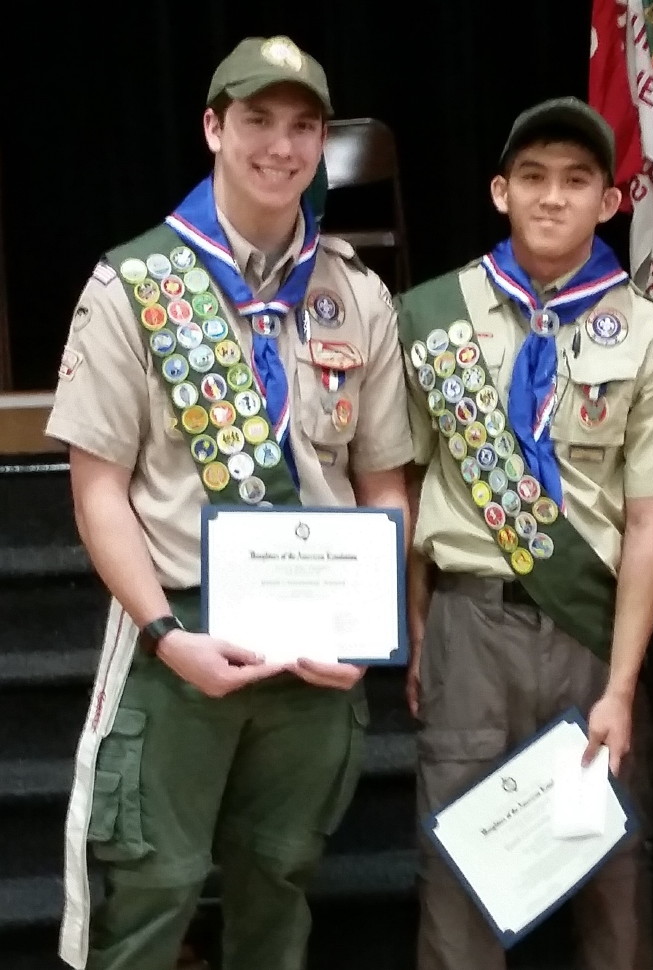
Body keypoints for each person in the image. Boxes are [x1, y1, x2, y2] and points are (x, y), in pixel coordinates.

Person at [45, 35, 413, 970]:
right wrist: (168, 633)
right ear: (214, 127)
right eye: (257, 120)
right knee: (154, 884)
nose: (280, 147)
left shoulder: (355, 295)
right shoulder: (134, 285)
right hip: (181, 633)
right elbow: (98, 490)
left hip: (316, 642)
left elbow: (382, 482)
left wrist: (370, 627)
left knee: (280, 875)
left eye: (302, 127)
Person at [396, 96, 653, 970]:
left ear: (610, 201)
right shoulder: (432, 318)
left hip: (591, 631)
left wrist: (623, 682)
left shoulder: (651, 339)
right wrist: (420, 627)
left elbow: (649, 523)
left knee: (608, 864)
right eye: (532, 177)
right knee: (458, 864)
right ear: (500, 191)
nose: (552, 197)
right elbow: (413, 486)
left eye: (577, 181)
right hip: (471, 624)